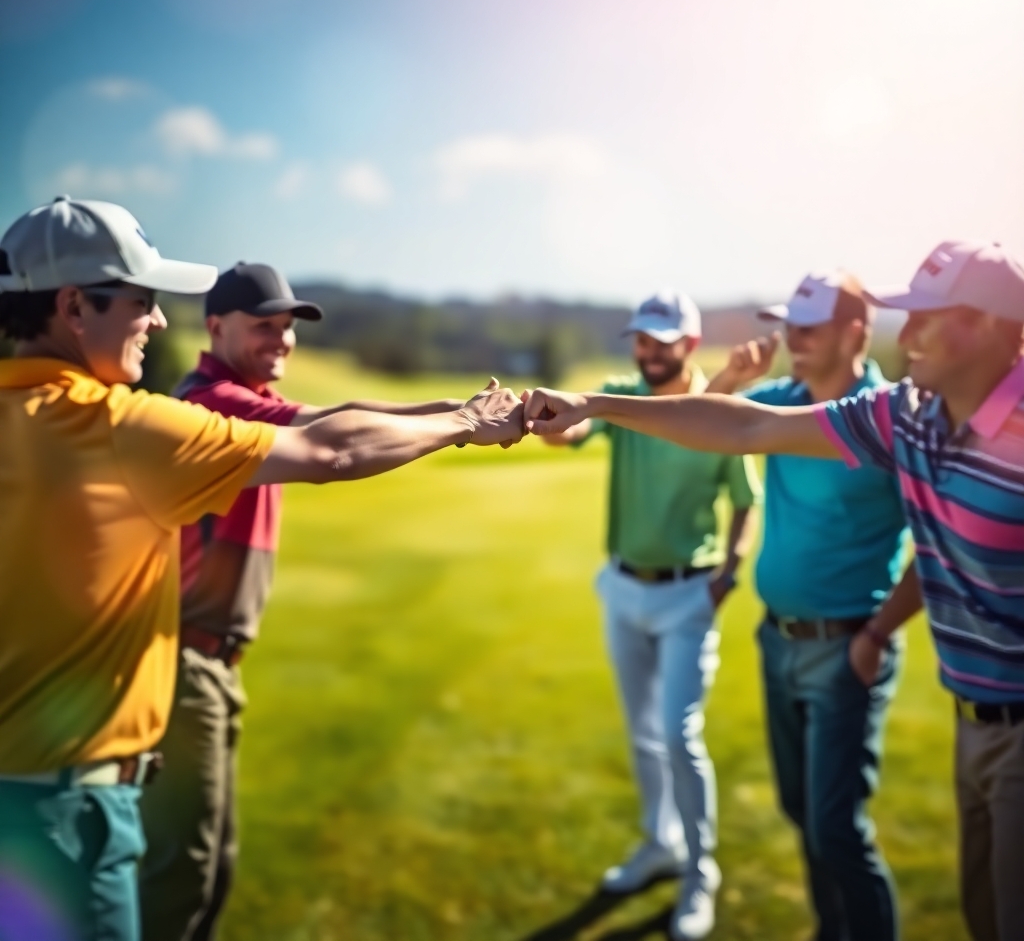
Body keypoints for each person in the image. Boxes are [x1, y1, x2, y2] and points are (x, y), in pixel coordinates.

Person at [0, 197, 523, 941]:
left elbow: (326, 421)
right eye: (143, 303)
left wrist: (459, 412)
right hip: (71, 812)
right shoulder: (120, 428)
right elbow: (331, 449)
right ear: (75, 306)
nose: (155, 322)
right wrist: (468, 422)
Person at [524, 241, 1024, 941]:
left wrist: (875, 632)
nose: (905, 336)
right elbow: (743, 423)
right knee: (973, 908)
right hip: (965, 712)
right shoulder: (907, 415)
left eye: (926, 318)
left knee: (844, 832)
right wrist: (591, 404)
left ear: (992, 326)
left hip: (915, 675)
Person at [138, 262, 468, 941]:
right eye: (265, 326)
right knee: (182, 873)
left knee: (213, 866)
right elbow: (333, 430)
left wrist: (460, 412)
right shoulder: (211, 402)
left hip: (212, 665)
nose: (282, 340)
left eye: (287, 328)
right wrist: (462, 418)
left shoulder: (241, 397)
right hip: (182, 665)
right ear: (217, 325)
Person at [539, 290, 761, 941]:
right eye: (642, 340)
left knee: (678, 734)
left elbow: (744, 499)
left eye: (662, 343)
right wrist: (546, 417)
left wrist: (729, 573)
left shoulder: (720, 412)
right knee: (642, 733)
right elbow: (571, 432)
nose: (648, 353)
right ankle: (658, 844)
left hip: (689, 596)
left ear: (689, 346)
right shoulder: (620, 392)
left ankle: (700, 872)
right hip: (623, 587)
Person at [708, 271, 911, 941]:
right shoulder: (781, 400)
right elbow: (709, 425)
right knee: (803, 812)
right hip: (779, 642)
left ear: (856, 331)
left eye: (809, 327)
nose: (792, 339)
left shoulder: (890, 417)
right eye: (788, 324)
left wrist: (878, 633)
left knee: (835, 827)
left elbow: (935, 545)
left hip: (849, 647)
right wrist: (729, 382)